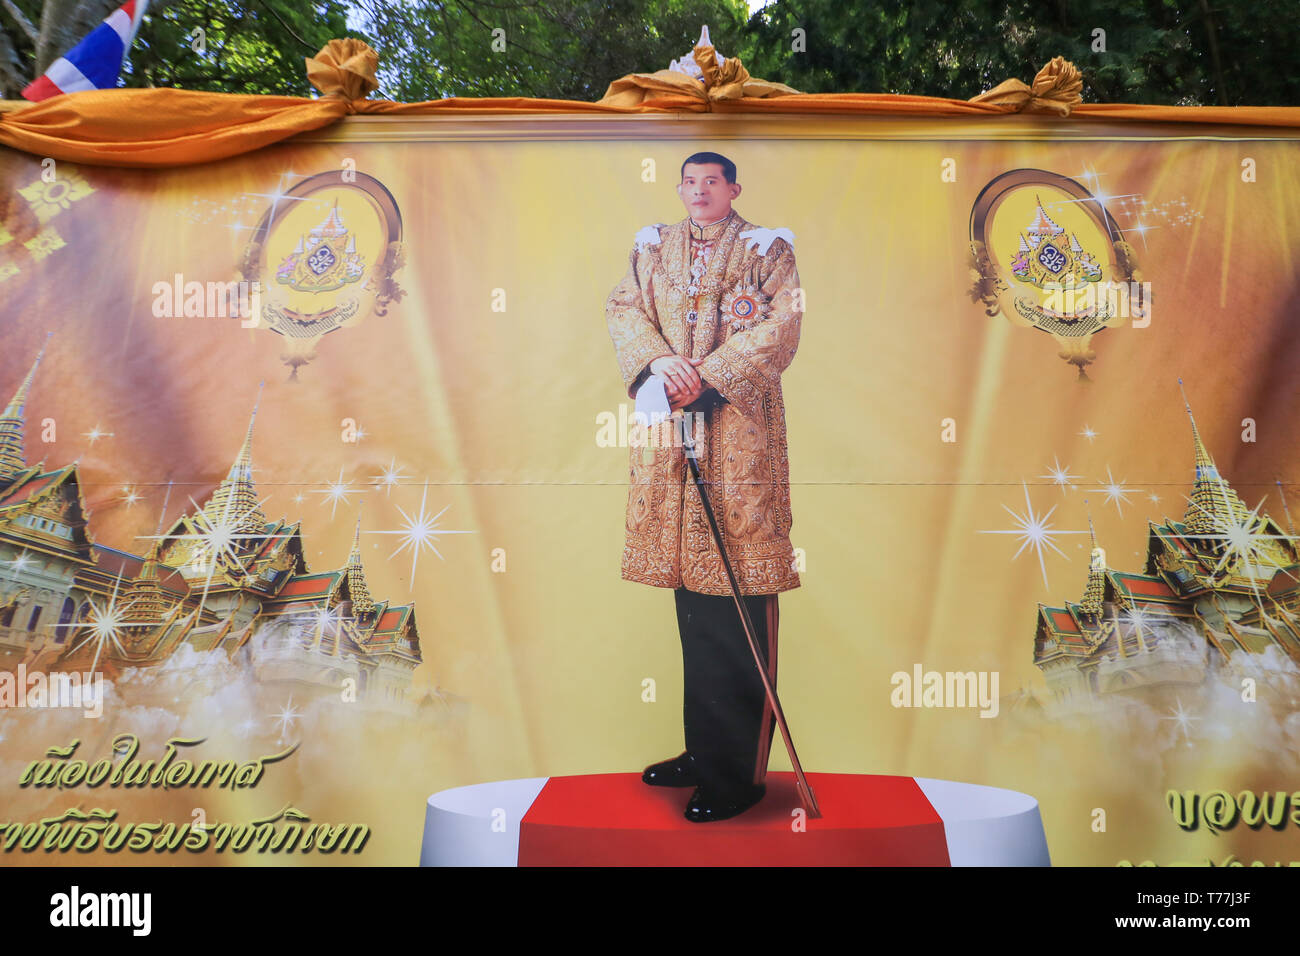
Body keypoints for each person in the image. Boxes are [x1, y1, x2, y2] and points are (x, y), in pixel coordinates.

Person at [605, 151, 803, 822]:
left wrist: (707, 373)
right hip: (675, 446)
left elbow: (782, 327)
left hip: (738, 442)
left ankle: (738, 774)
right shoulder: (653, 247)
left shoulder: (766, 249)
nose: (698, 192)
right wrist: (661, 362)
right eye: (689, 182)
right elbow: (625, 310)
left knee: (738, 607)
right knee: (694, 611)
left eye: (710, 182)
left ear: (733, 189)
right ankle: (704, 751)